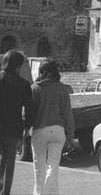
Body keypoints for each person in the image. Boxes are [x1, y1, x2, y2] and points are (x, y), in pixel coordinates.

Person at [30, 60, 75, 195]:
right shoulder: (62, 88)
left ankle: (39, 193)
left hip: (40, 129)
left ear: (41, 72)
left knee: (39, 165)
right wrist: (70, 134)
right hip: (58, 130)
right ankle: (51, 193)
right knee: (53, 166)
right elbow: (67, 113)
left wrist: (25, 129)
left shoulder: (35, 88)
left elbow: (29, 112)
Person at [0, 50, 35, 195]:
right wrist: (27, 127)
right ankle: (5, 192)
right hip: (13, 128)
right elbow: (30, 108)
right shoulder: (23, 84)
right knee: (9, 161)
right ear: (18, 66)